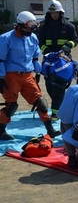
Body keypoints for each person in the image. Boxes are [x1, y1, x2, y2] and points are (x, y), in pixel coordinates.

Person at [0, 11, 61, 140]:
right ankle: (1, 131)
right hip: (11, 76)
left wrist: (38, 72)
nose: (31, 29)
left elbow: (34, 58)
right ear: (20, 25)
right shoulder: (5, 39)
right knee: (12, 106)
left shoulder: (32, 37)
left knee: (41, 102)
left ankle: (50, 130)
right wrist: (0, 77)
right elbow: (0, 60)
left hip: (28, 75)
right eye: (29, 26)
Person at [38, 0, 78, 120]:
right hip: (49, 60)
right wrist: (46, 50)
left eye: (56, 12)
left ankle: (55, 114)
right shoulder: (44, 27)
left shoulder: (69, 27)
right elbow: (40, 42)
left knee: (60, 86)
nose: (54, 15)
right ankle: (60, 106)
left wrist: (68, 46)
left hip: (63, 60)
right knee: (49, 86)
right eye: (52, 13)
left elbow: (75, 40)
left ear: (61, 13)